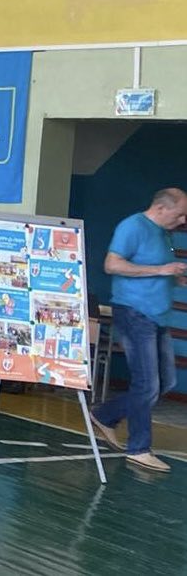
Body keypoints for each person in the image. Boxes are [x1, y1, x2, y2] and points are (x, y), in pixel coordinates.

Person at [92, 188, 187, 472]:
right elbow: (112, 264)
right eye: (180, 214)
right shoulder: (132, 226)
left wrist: (174, 279)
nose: (183, 220)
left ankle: (105, 415)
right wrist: (161, 271)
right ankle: (139, 448)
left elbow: (155, 267)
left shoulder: (164, 234)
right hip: (134, 313)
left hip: (158, 317)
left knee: (166, 381)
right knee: (147, 385)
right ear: (161, 208)